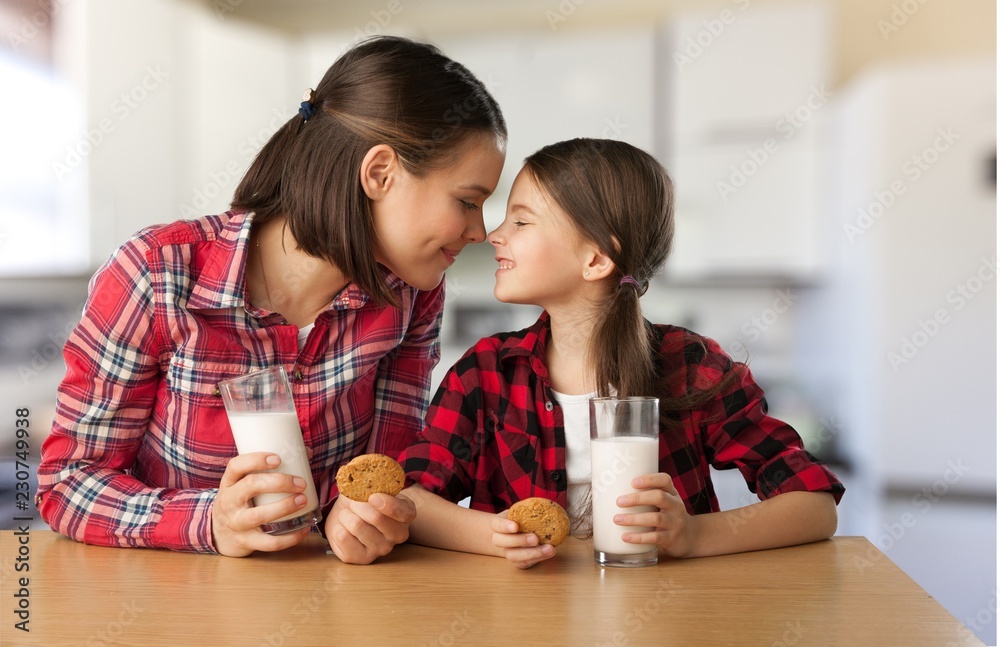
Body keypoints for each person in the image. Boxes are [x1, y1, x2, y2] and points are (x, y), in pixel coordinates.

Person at [36, 36, 507, 560]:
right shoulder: (156, 273)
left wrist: (365, 520)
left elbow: (386, 475)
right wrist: (208, 521)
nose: (479, 232)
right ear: (379, 173)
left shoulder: (410, 297)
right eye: (467, 202)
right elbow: (67, 485)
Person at [397, 138, 844, 568]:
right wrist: (498, 537)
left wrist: (694, 536)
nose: (493, 235)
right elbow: (409, 500)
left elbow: (813, 505)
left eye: (521, 221)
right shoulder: (486, 372)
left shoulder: (688, 365)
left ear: (595, 259)